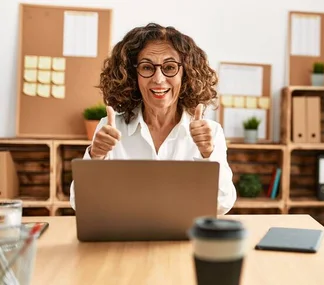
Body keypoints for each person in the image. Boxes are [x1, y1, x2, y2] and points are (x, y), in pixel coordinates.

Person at [70, 23, 236, 215]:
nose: (158, 79)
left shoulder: (210, 132)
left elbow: (222, 204)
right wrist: (95, 157)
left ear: (186, 74)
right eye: (147, 67)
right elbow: (79, 202)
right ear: (133, 75)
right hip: (125, 239)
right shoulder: (110, 128)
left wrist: (208, 154)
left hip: (182, 241)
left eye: (170, 67)